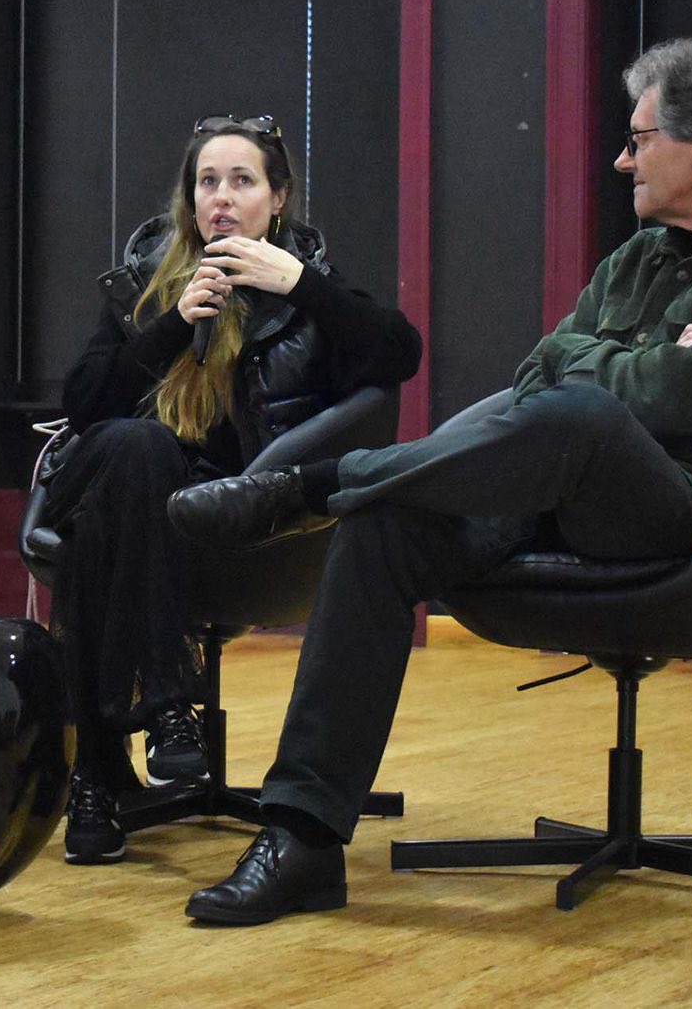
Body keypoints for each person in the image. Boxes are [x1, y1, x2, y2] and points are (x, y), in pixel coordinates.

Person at [168, 39, 692, 923]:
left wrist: (603, 366)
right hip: (547, 496)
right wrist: (639, 356)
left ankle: (310, 486)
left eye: (639, 140)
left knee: (585, 416)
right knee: (387, 527)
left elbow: (664, 398)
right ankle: (301, 839)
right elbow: (540, 373)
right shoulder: (638, 260)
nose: (623, 159)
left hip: (689, 521)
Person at [47, 114, 423, 866]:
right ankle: (166, 701)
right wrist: (168, 327)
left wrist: (303, 287)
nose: (221, 197)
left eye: (242, 181)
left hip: (229, 516)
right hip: (121, 476)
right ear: (189, 200)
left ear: (277, 199)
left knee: (100, 536)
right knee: (138, 446)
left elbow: (399, 354)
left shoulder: (305, 289)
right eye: (207, 182)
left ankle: (95, 776)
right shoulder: (148, 280)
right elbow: (83, 405)